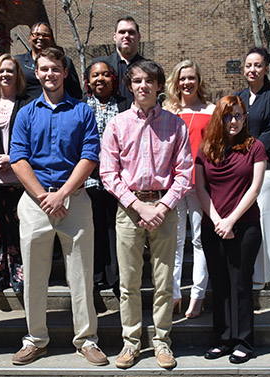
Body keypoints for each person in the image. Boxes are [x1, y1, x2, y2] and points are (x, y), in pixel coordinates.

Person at [10, 47, 108, 367]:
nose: (49, 74)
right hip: (36, 202)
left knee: (81, 275)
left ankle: (86, 340)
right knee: (34, 276)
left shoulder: (82, 112)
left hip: (74, 201)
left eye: (55, 68)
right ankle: (36, 339)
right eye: (44, 69)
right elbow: (18, 158)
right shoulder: (26, 113)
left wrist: (63, 194)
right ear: (36, 73)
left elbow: (90, 156)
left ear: (65, 72)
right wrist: (44, 197)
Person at [100, 59, 193, 369]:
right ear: (130, 86)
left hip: (165, 207)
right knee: (128, 283)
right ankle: (131, 343)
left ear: (158, 86)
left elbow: (184, 172)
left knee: (165, 281)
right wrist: (138, 206)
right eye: (137, 81)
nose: (143, 86)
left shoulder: (175, 124)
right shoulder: (117, 124)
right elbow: (108, 173)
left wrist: (162, 207)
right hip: (129, 209)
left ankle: (163, 342)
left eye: (149, 81)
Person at [195, 95, 267, 364]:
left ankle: (244, 342)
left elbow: (255, 188)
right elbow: (200, 188)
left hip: (245, 226)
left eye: (238, 115)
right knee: (220, 284)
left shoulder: (256, 147)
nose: (233, 120)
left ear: (244, 117)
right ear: (219, 118)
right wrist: (216, 220)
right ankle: (223, 340)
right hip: (212, 226)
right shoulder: (206, 148)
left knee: (240, 284)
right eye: (228, 116)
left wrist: (231, 220)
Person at [164, 60, 215, 318]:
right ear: (176, 81)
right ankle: (173, 295)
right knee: (174, 242)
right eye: (182, 78)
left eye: (192, 78)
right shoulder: (167, 111)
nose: (187, 83)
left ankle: (197, 295)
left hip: (200, 183)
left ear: (199, 80)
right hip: (173, 184)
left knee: (198, 240)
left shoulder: (211, 110)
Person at [234, 46, 270, 290]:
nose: (252, 69)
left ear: (266, 69)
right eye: (248, 65)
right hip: (242, 168)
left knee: (266, 219)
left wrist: (251, 152)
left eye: (257, 65)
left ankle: (267, 275)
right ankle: (253, 272)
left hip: (267, 168)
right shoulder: (238, 98)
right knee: (249, 222)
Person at [0, 54, 31, 293]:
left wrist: (15, 158)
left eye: (10, 70)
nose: (5, 75)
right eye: (1, 71)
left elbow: (35, 138)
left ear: (18, 75)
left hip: (19, 178)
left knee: (18, 228)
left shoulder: (28, 102)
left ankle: (18, 275)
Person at [83, 60, 130, 294]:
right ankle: (95, 275)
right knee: (92, 228)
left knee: (115, 229)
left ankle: (115, 277)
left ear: (114, 79)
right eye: (94, 75)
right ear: (88, 81)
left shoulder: (125, 105)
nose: (100, 79)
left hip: (119, 181)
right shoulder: (81, 106)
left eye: (105, 74)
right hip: (88, 180)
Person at [15, 21, 82, 100]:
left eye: (45, 35)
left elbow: (75, 92)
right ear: (30, 38)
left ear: (51, 39)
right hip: (27, 109)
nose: (40, 38)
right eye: (36, 34)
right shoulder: (18, 61)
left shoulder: (64, 62)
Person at [92, 16, 144, 102]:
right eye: (122, 32)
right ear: (115, 36)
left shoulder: (149, 68)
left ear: (138, 37)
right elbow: (89, 96)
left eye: (131, 32)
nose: (126, 35)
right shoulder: (99, 65)